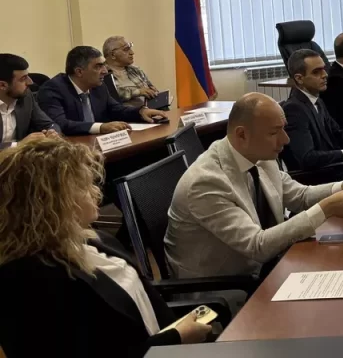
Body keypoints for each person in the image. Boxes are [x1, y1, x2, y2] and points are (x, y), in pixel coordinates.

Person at [0, 139, 212, 357]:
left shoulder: (95, 239)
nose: (96, 192)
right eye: (84, 186)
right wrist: (175, 338)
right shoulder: (28, 281)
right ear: (52, 201)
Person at [164, 93, 343, 279]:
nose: (285, 140)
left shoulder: (258, 154)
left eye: (283, 129)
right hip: (225, 289)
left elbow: (299, 196)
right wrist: (326, 208)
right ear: (242, 134)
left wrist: (341, 188)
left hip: (266, 267)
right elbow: (257, 246)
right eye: (274, 133)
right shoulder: (206, 182)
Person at [38, 46, 167, 136]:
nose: (105, 71)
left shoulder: (98, 86)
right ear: (79, 72)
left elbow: (116, 109)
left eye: (104, 65)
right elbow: (60, 124)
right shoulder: (53, 89)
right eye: (98, 66)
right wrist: (100, 127)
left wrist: (141, 112)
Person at [281, 49, 343, 179]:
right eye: (316, 72)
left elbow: (337, 132)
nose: (325, 75)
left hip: (335, 168)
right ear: (299, 78)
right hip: (319, 177)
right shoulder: (294, 109)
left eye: (324, 69)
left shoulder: (318, 100)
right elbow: (307, 158)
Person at [0, 53, 59, 144]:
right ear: (2, 85)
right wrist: (19, 144)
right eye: (23, 79)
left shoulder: (26, 96)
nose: (30, 82)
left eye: (28, 76)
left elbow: (49, 124)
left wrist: (52, 133)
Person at [102, 36, 159, 107]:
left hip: (150, 110)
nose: (132, 52)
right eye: (126, 49)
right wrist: (138, 92)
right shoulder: (102, 73)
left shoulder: (136, 70)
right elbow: (112, 95)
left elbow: (150, 88)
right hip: (125, 113)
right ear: (113, 55)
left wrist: (153, 92)